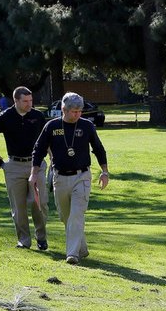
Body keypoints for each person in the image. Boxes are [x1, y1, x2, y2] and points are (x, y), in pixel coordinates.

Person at [29, 92, 109, 265]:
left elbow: (98, 148)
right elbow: (39, 149)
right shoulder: (51, 126)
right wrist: (34, 173)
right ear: (63, 109)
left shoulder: (87, 126)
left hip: (82, 176)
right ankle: (81, 247)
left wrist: (104, 171)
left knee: (76, 215)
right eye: (74, 111)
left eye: (80, 111)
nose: (78, 114)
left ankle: (72, 254)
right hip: (59, 177)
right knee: (66, 217)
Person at [0, 86, 49, 250]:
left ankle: (41, 238)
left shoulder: (38, 116)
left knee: (39, 202)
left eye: (31, 100)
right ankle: (24, 240)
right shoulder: (5, 116)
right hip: (14, 166)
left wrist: (53, 156)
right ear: (16, 101)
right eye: (25, 101)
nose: (29, 104)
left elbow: (46, 138)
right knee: (18, 206)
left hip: (37, 164)